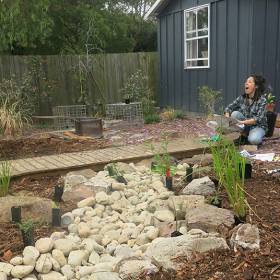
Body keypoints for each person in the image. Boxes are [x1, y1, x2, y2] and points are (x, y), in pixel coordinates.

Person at [224, 75, 267, 145]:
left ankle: (250, 137)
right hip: (245, 126)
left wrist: (241, 122)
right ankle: (243, 135)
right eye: (246, 82)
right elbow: (229, 108)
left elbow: (257, 120)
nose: (246, 83)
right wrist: (227, 116)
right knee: (235, 114)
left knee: (254, 140)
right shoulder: (242, 98)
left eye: (249, 82)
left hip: (258, 127)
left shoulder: (262, 100)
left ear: (256, 86)